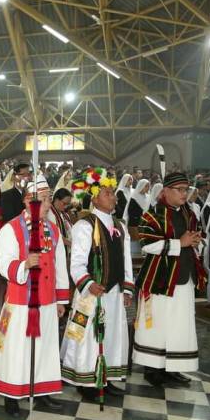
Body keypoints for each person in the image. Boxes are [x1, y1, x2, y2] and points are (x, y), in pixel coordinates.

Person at [0, 176, 70, 416]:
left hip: (48, 301)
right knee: (17, 349)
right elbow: (4, 264)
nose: (47, 205)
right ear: (27, 202)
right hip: (21, 302)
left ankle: (41, 392)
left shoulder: (53, 229)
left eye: (48, 199)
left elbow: (60, 264)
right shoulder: (10, 229)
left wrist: (62, 299)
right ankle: (12, 395)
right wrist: (24, 265)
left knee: (45, 348)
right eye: (42, 200)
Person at [61, 169, 134, 400]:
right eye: (107, 193)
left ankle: (107, 377)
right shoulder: (85, 225)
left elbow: (127, 261)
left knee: (112, 335)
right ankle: (86, 380)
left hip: (113, 293)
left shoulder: (120, 226)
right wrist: (89, 283)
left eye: (113, 193)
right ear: (94, 198)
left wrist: (128, 287)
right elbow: (77, 263)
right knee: (88, 337)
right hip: (91, 295)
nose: (113, 197)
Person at [134, 172, 207, 386]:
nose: (185, 194)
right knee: (157, 324)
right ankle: (153, 368)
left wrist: (196, 242)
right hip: (160, 278)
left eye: (187, 189)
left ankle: (174, 366)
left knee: (179, 324)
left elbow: (195, 238)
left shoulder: (189, 213)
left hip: (185, 277)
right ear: (166, 191)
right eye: (180, 190)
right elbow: (146, 244)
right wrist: (179, 243)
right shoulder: (153, 214)